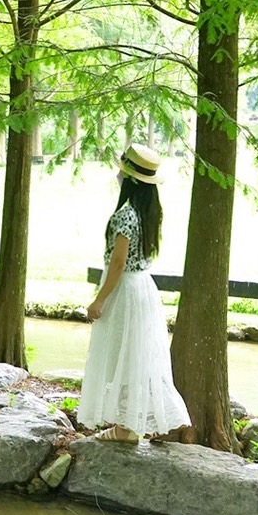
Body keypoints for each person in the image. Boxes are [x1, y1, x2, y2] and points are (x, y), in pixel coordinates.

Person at [79, 144, 191, 443]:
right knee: (138, 354)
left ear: (129, 179)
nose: (117, 174)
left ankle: (127, 427)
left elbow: (118, 262)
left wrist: (99, 299)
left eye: (122, 171)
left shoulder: (126, 214)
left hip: (125, 290)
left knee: (122, 355)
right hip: (142, 287)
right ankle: (137, 420)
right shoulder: (149, 211)